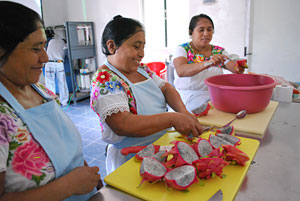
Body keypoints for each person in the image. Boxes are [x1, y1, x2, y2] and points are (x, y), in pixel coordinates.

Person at [0, 2, 102, 200]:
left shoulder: (41, 91)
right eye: (36, 49)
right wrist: (69, 185)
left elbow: (64, 145)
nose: (45, 58)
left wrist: (86, 172)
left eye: (44, 46)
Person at [90, 15, 203, 174]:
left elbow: (166, 88)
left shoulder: (142, 69)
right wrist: (172, 118)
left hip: (158, 148)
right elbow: (123, 124)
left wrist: (183, 112)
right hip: (130, 158)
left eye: (143, 46)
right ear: (112, 46)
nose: (142, 53)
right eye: (136, 46)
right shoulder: (105, 79)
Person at [172, 14, 245, 112]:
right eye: (201, 30)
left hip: (214, 96)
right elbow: (181, 71)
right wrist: (208, 62)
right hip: (187, 97)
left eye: (209, 30)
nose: (206, 34)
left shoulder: (218, 51)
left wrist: (238, 67)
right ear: (191, 32)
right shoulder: (183, 49)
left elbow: (233, 67)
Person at [44, 28, 69, 106]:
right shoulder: (63, 44)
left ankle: (52, 102)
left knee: (49, 83)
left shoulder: (51, 41)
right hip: (59, 64)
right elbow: (65, 55)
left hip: (49, 63)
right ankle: (64, 102)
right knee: (62, 83)